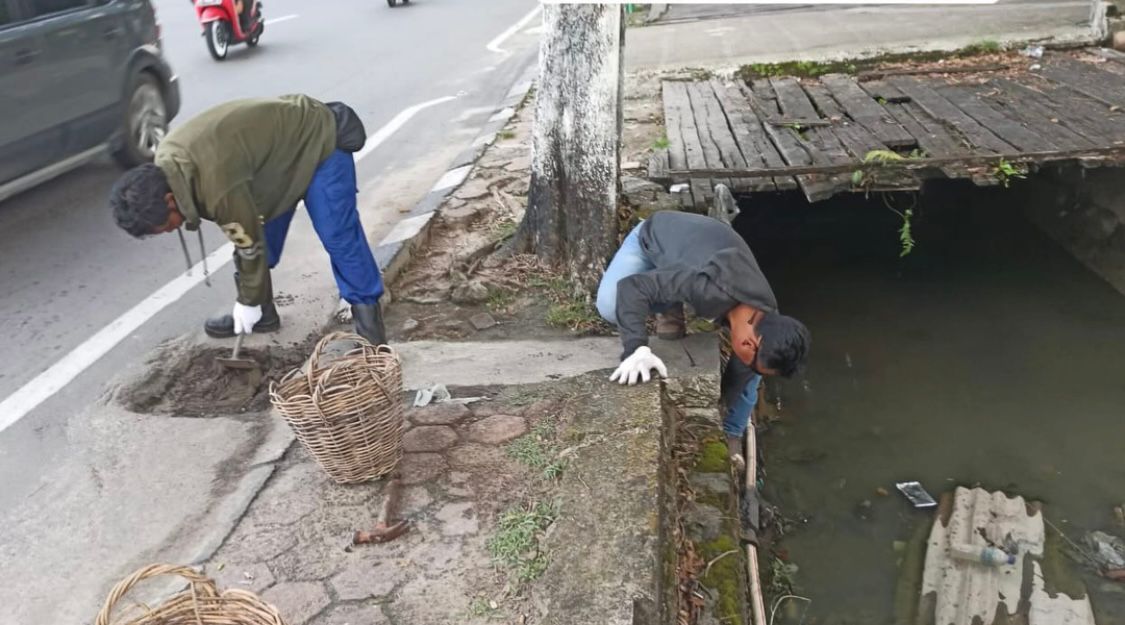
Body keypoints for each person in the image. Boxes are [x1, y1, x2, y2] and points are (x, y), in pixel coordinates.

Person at [109, 94, 386, 345]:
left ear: (169, 201)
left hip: (317, 142)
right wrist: (249, 300)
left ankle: (370, 329)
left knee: (339, 237)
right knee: (260, 234)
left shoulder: (215, 187)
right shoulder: (170, 167)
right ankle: (263, 314)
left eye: (163, 227)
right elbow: (247, 234)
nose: (169, 231)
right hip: (272, 168)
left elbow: (247, 243)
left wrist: (246, 303)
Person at [596, 210, 810, 466]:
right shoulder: (709, 287)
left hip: (698, 253)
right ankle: (666, 304)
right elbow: (631, 288)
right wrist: (636, 348)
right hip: (655, 238)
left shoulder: (766, 314)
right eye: (752, 361)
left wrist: (719, 416)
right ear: (748, 343)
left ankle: (733, 434)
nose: (751, 367)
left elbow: (740, 376)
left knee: (749, 378)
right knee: (610, 305)